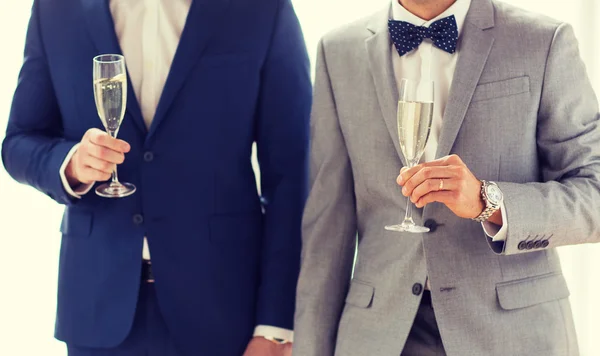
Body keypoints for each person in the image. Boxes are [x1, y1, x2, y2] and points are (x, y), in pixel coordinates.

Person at [2, 0, 311, 355]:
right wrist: (70, 163)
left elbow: (293, 171)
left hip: (224, 312)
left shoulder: (261, 9)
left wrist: (275, 328)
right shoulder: (56, 8)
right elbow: (19, 140)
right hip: (96, 310)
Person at [293, 0, 600, 355]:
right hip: (378, 336)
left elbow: (593, 192)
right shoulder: (337, 51)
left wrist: (489, 201)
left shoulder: (543, 39)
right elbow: (326, 229)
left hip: (513, 335)